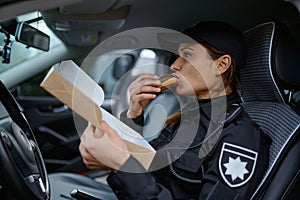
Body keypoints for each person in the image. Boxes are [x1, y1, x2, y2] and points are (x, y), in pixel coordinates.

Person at [49, 21, 271, 200]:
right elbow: (152, 167)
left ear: (220, 65)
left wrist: (122, 165)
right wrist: (134, 114)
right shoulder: (188, 117)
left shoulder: (239, 139)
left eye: (187, 55)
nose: (174, 65)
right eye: (177, 56)